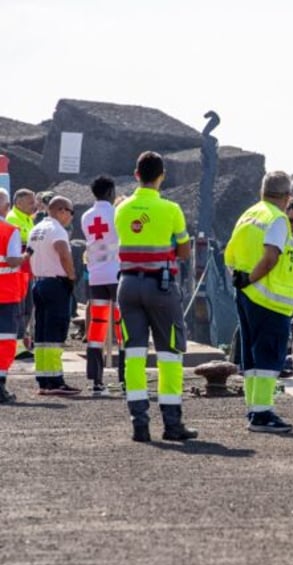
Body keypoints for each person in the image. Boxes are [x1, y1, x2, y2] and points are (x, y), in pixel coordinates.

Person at [115, 151, 196, 442]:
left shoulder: (121, 209)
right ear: (162, 176)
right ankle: (172, 425)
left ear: (136, 174)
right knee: (170, 354)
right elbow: (185, 251)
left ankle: (140, 425)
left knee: (134, 354)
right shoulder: (171, 209)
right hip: (160, 287)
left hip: (127, 287)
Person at [224, 170, 293, 434]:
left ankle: (254, 408)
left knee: (251, 354)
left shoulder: (248, 215)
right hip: (270, 299)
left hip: (247, 297)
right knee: (269, 355)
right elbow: (271, 257)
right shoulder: (277, 219)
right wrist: (250, 278)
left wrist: (241, 281)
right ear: (286, 196)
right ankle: (263, 413)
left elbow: (230, 254)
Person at [27, 195, 80, 395]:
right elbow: (62, 252)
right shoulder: (57, 230)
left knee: (41, 333)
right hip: (55, 283)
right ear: (60, 210)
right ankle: (55, 380)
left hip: (38, 282)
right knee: (55, 332)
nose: (71, 217)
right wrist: (71, 275)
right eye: (70, 212)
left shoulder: (36, 229)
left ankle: (44, 379)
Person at [81, 175, 123, 395]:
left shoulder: (87, 217)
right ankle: (125, 380)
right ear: (110, 192)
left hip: (96, 276)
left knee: (96, 328)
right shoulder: (117, 213)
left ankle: (96, 382)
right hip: (117, 275)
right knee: (122, 328)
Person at [6, 188, 37, 359]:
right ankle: (17, 347)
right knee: (19, 310)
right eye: (30, 202)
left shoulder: (27, 219)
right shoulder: (13, 219)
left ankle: (19, 343)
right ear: (18, 202)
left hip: (26, 272)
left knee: (26, 309)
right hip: (17, 273)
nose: (34, 205)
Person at [0, 215, 24, 402]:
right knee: (6, 339)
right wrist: (27, 255)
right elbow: (13, 260)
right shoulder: (9, 230)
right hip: (5, 293)